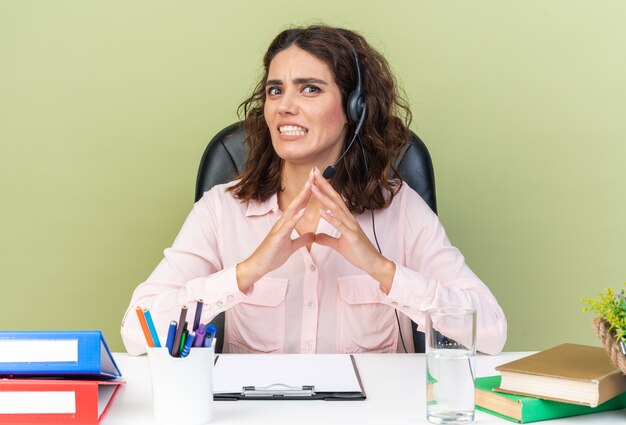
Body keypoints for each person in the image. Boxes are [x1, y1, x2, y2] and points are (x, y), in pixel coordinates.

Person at [121, 25, 507, 356]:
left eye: (309, 89)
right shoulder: (222, 209)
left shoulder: (400, 208)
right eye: (275, 90)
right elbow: (136, 331)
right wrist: (246, 272)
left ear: (355, 109)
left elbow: (490, 333)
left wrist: (382, 269)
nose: (284, 106)